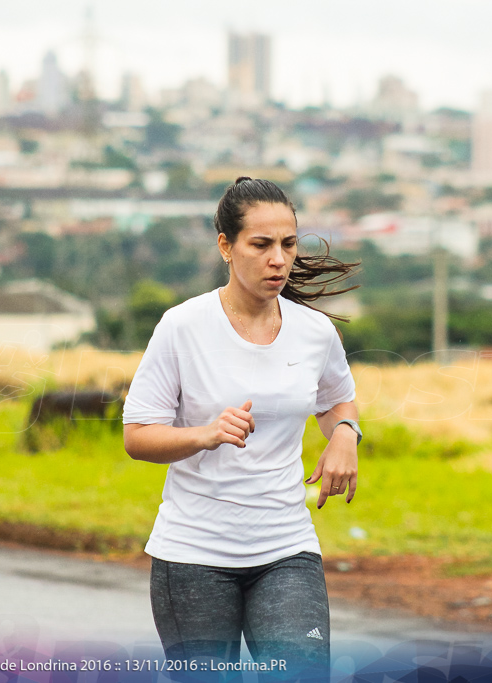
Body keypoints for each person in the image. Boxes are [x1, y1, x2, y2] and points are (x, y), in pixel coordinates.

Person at [122, 177, 362, 682]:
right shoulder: (182, 327)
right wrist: (203, 434)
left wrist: (344, 435)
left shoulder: (315, 332)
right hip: (193, 554)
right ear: (226, 247)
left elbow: (338, 398)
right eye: (262, 245)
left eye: (288, 244)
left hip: (285, 546)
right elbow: (138, 435)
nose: (279, 259)